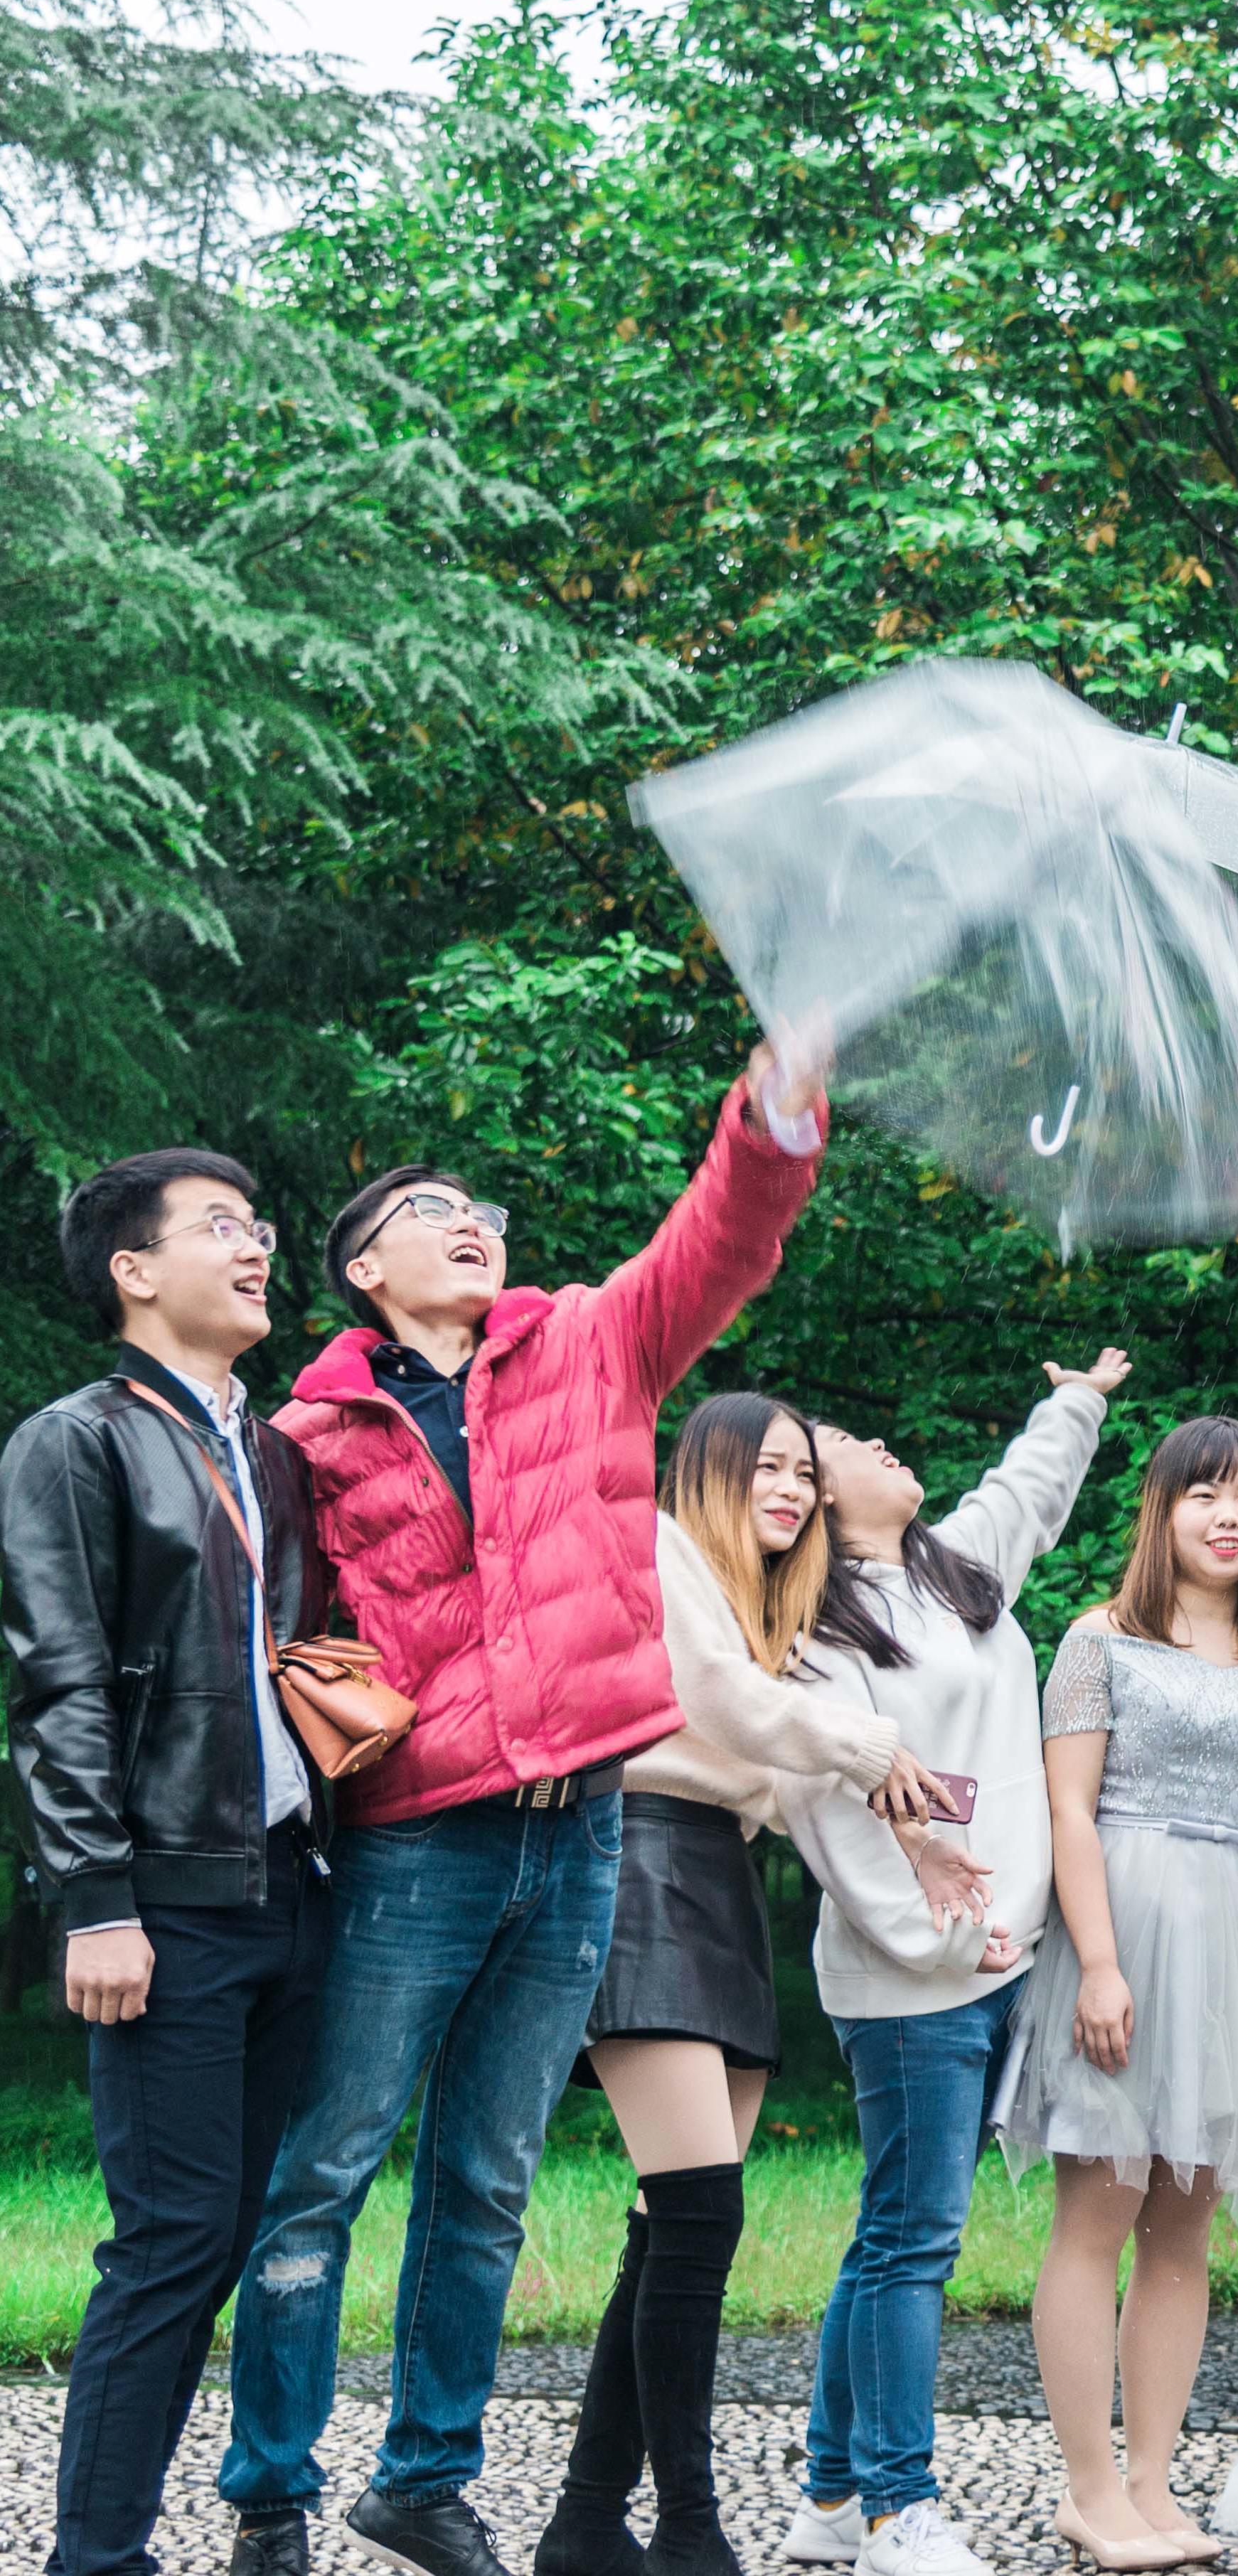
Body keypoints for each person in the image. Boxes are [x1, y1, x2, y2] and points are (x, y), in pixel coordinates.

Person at [225, 1042, 824, 2576]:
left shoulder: (585, 1348)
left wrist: (771, 1116)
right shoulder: (304, 1439)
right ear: (366, 1265)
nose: (471, 1218)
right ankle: (273, 2491)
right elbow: (273, 1637)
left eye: (479, 1204)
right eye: (432, 1208)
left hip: (582, 1834)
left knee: (489, 2177)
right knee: (330, 2163)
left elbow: (723, 1237)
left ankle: (424, 2477)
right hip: (418, 1840)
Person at [541, 1395, 959, 2576]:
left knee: (668, 2230)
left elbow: (777, 1779)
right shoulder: (661, 1542)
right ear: (708, 1469)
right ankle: (689, 2528)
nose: (790, 1491)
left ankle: (583, 2523)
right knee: (699, 2215)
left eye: (801, 1477)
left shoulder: (764, 1602)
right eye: (766, 1468)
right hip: (635, 1865)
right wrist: (871, 1748)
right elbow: (721, 1702)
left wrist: (909, 1839)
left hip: (713, 1878)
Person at [5, 1153, 331, 2576]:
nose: (254, 1245)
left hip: (294, 1896)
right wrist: (96, 1900)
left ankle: (260, 2513)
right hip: (165, 1906)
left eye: (256, 1226)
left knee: (257, 2232)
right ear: (134, 1270)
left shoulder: (269, 1450)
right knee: (173, 2240)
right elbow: (61, 1676)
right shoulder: (73, 1442)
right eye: (218, 1227)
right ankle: (98, 2558)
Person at [779, 1355, 1127, 2576]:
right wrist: (939, 1938)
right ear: (817, 1502)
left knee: (894, 2232)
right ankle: (895, 2510)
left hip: (999, 1957)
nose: (885, 1448)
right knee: (916, 2240)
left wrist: (1077, 1399)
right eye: (852, 1447)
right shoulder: (816, 1639)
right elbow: (826, 1812)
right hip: (912, 1981)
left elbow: (1024, 1491)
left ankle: (828, 2496)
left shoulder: (950, 1572)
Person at [996, 1420, 1238, 2571]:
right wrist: (1097, 1960)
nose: (1229, 1517)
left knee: (1185, 2229)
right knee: (1098, 2213)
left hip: (1234, 1937)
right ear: (1162, 1511)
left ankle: (1150, 2480)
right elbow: (1068, 1807)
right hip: (1120, 1920)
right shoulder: (1100, 1640)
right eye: (1205, 1496)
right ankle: (1088, 2487)